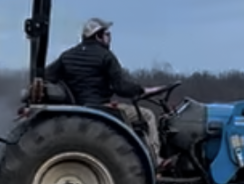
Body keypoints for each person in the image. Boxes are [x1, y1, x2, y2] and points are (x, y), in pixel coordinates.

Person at [52, 17, 163, 162]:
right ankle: (156, 160)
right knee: (148, 116)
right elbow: (121, 87)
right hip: (102, 108)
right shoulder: (105, 56)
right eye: (107, 34)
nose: (109, 38)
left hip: (79, 108)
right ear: (98, 36)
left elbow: (48, 76)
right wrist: (142, 90)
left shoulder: (67, 56)